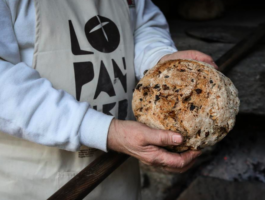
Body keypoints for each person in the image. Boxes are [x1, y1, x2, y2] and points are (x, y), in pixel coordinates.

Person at [0, 0, 217, 199]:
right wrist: (106, 131)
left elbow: (141, 23)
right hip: (35, 186)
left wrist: (159, 61)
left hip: (118, 183)